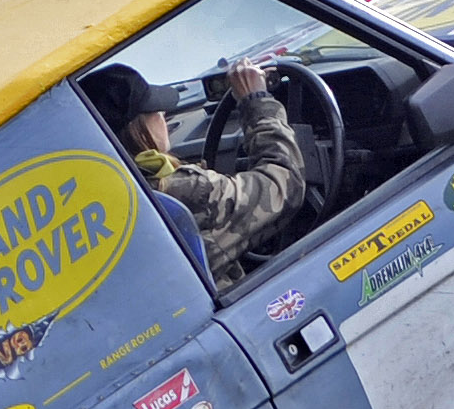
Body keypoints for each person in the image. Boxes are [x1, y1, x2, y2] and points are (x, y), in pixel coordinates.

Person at [85, 62, 306, 288]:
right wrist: (257, 102)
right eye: (154, 110)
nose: (163, 114)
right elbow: (283, 185)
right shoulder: (179, 191)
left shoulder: (91, 209)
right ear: (136, 129)